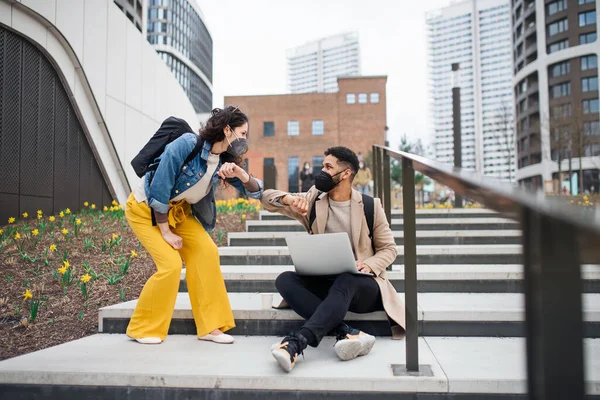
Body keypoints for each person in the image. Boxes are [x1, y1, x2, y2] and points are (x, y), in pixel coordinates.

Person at [126, 106, 263, 345]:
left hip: (179, 212)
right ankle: (144, 328)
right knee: (170, 265)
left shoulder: (222, 161)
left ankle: (210, 327)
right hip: (145, 208)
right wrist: (165, 231)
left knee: (206, 252)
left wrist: (242, 175)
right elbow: (160, 185)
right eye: (242, 133)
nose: (244, 140)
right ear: (227, 130)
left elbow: (256, 191)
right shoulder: (187, 143)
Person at [261, 146, 405, 372]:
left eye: (328, 167)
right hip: (327, 282)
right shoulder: (314, 200)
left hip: (362, 286)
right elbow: (267, 198)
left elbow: (389, 249)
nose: (323, 171)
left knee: (346, 279)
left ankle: (297, 343)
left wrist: (368, 264)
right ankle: (346, 331)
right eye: (322, 166)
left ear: (346, 173)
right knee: (285, 280)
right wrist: (289, 199)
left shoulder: (370, 205)